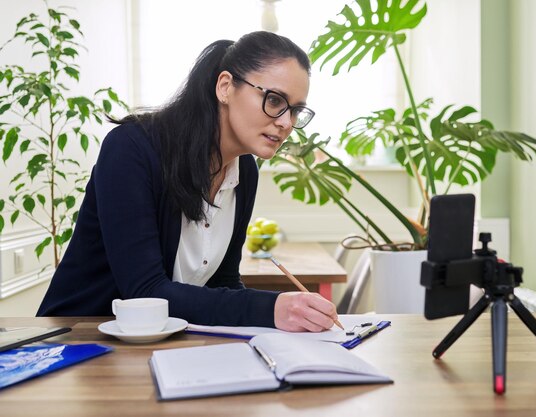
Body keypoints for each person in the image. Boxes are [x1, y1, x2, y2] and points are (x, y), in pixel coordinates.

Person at [37, 31, 339, 332]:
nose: (286, 123)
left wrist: (289, 313)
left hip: (163, 344)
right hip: (78, 341)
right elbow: (144, 292)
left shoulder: (245, 172)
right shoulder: (131, 149)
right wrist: (270, 308)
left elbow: (223, 283)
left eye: (296, 111)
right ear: (225, 87)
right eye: (274, 100)